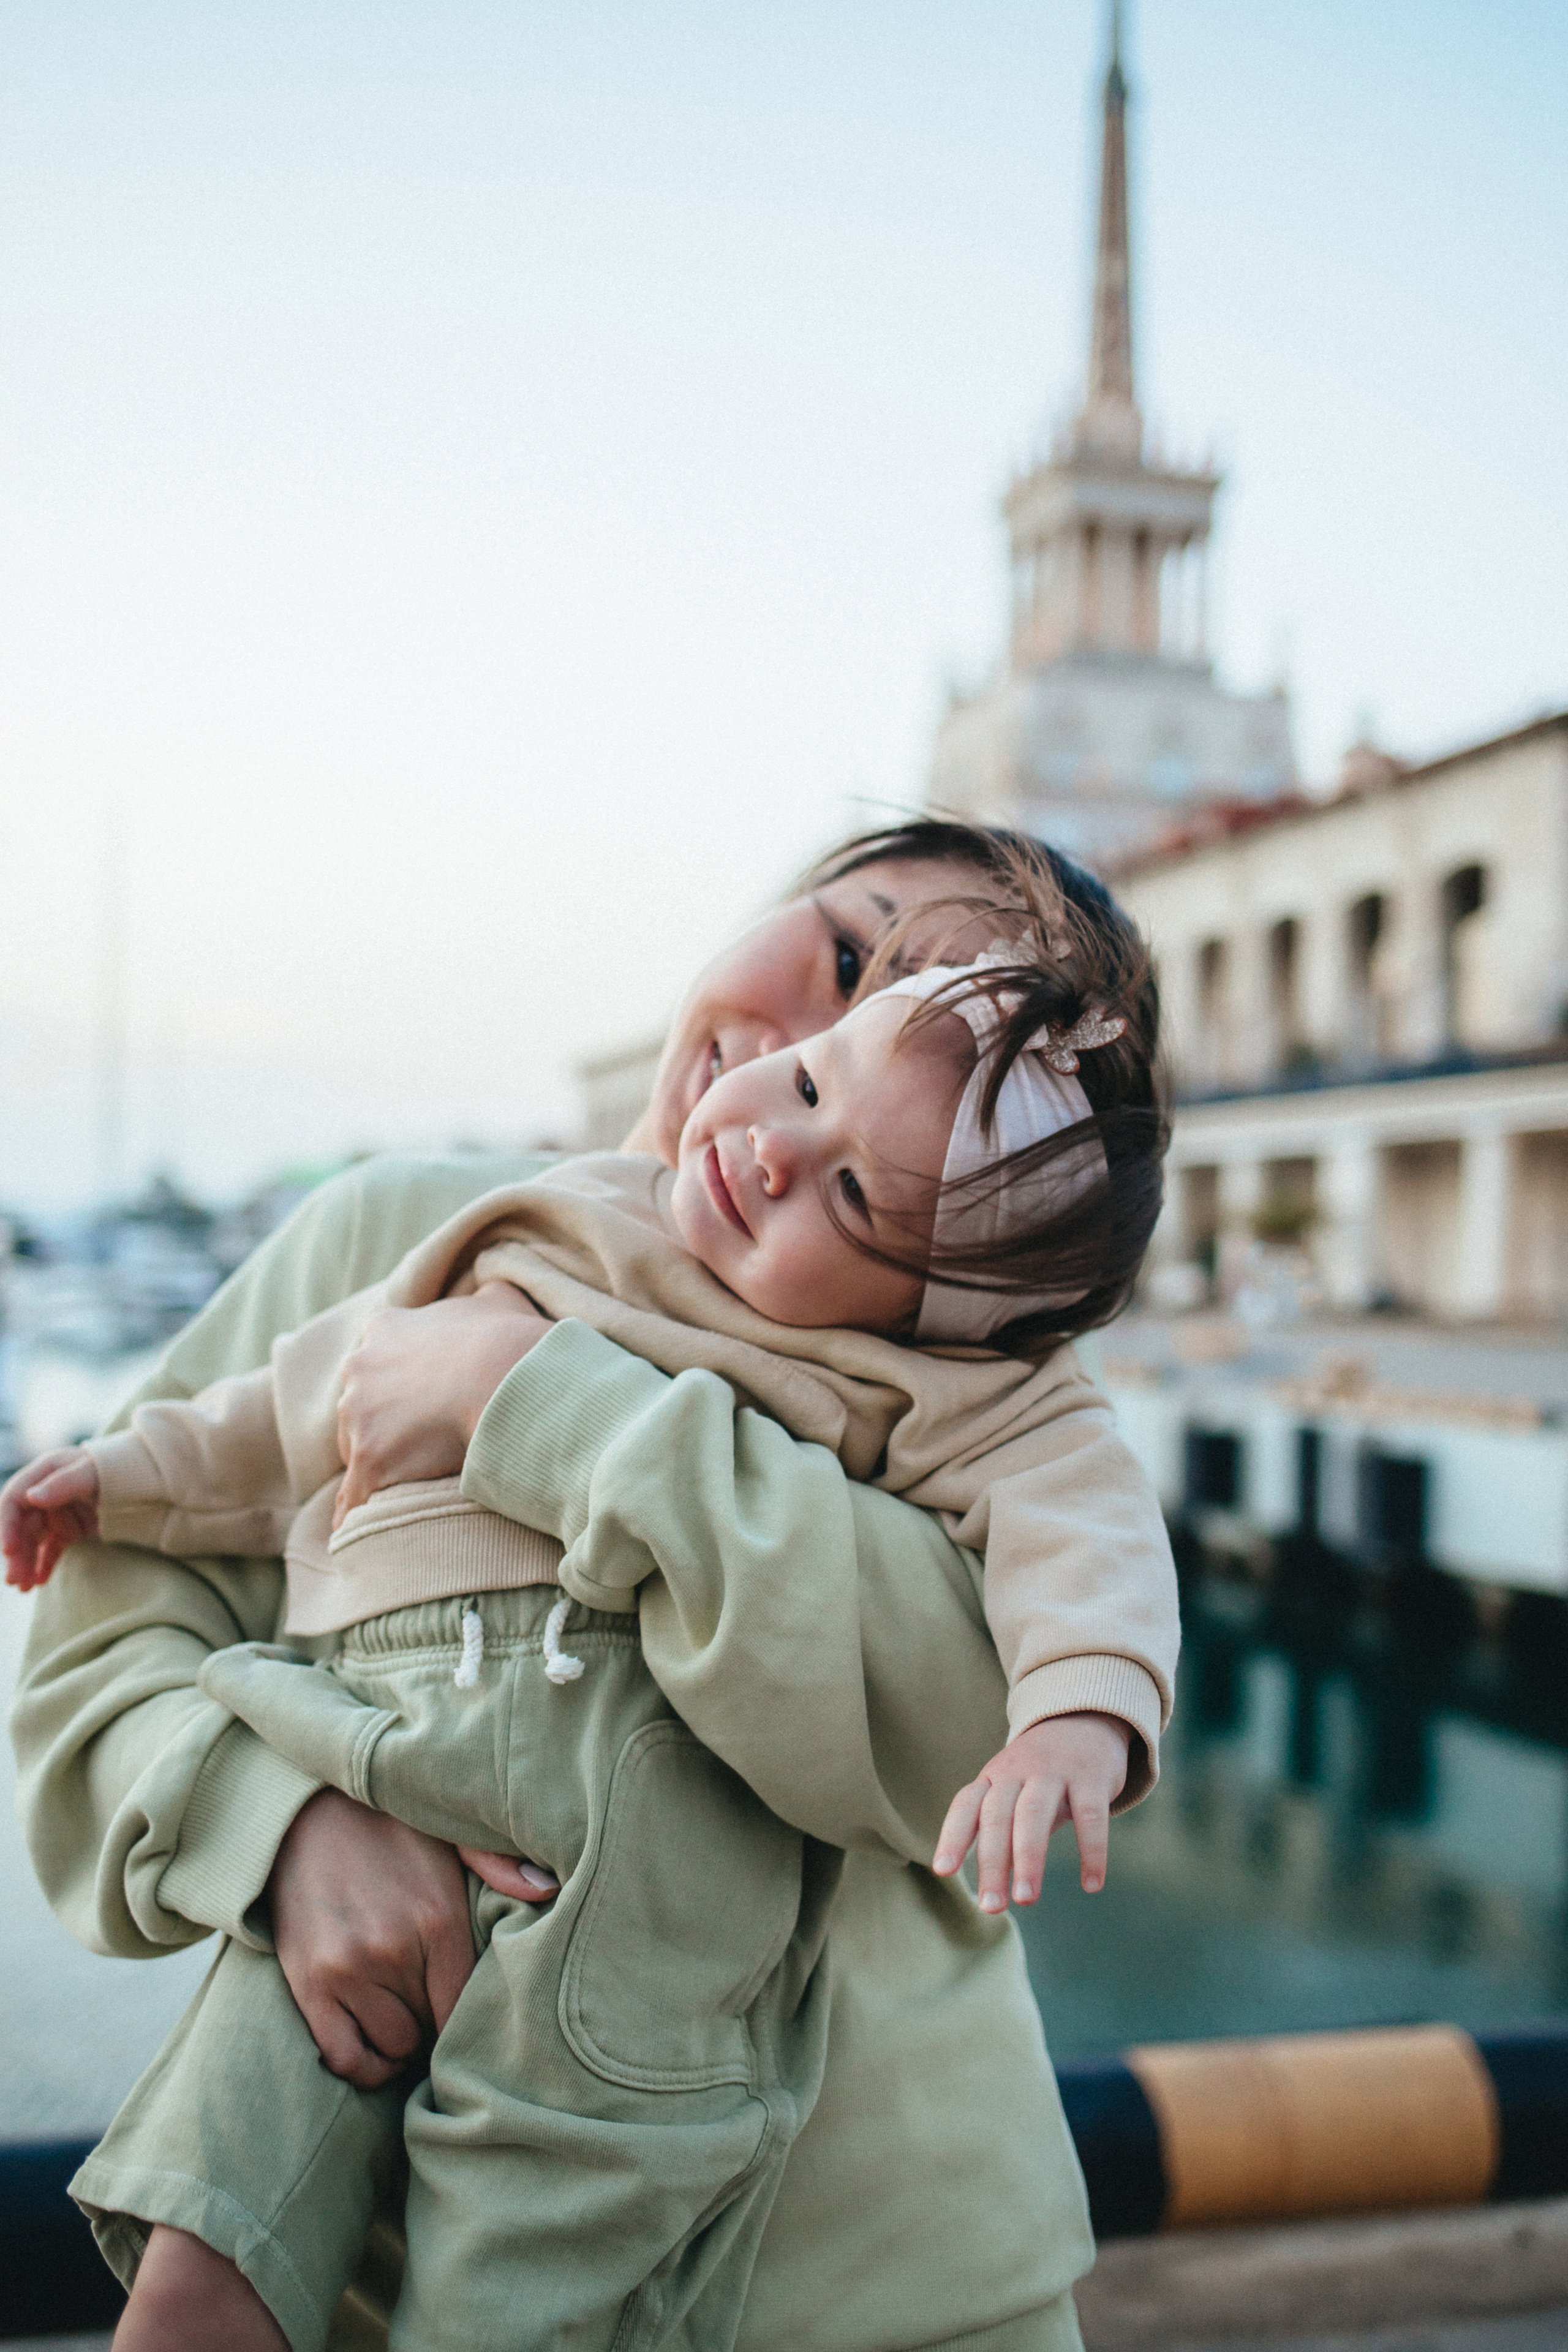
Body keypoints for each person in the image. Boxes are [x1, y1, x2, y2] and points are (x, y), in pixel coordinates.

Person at [11, 821, 1178, 2352]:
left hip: (906, 2284)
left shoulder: (949, 1361)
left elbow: (962, 1721)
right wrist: (283, 1829)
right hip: (392, 2224)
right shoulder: (410, 1225)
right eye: (854, 959)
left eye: (919, 1140)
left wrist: (546, 1403)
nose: (820, 1058)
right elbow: (100, 1645)